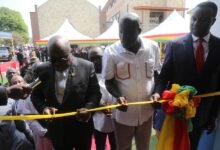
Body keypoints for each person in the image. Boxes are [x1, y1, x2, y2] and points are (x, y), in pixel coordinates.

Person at [151, 1, 220, 149]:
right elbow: (163, 77)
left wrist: (213, 116)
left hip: (203, 116)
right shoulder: (175, 45)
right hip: (176, 112)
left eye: (203, 20)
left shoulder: (219, 47)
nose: (196, 23)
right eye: (194, 19)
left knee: (192, 146)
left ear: (213, 21)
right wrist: (157, 93)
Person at [31, 35, 101, 150]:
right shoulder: (42, 69)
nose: (57, 63)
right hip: (57, 131)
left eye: (62, 59)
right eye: (53, 60)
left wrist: (88, 108)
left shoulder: (86, 67)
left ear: (70, 52)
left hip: (81, 129)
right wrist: (44, 108)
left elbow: (95, 94)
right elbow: (35, 96)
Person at [102, 13, 161, 150]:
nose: (122, 38)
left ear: (138, 31)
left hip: (146, 114)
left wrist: (157, 93)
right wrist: (118, 96)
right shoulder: (111, 52)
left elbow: (157, 74)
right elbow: (108, 81)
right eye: (120, 32)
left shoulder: (152, 47)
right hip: (123, 116)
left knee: (143, 148)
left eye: (127, 34)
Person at [11, 75, 54, 150]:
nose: (18, 84)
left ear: (24, 82)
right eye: (15, 83)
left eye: (19, 81)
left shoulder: (36, 91)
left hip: (54, 128)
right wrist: (44, 132)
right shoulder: (20, 101)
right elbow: (30, 121)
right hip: (42, 135)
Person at [88, 47, 116, 150]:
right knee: (100, 146)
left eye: (98, 58)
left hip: (115, 115)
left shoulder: (113, 72)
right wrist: (99, 106)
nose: (95, 61)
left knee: (116, 145)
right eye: (92, 59)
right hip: (98, 117)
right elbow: (87, 96)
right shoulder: (88, 76)